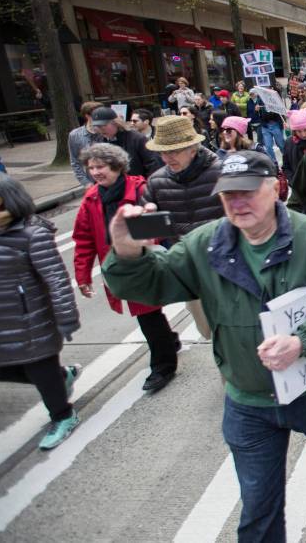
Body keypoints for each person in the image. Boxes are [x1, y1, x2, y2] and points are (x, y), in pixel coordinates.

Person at [103, 149, 306, 532]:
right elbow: (154, 283)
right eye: (228, 194)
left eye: (247, 191)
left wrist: (301, 341)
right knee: (258, 509)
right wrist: (126, 253)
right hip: (247, 399)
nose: (237, 202)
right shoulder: (205, 243)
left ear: (275, 188)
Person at [0, 173, 81, 450]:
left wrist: (66, 318)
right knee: (1, 372)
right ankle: (60, 376)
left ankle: (63, 416)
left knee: (41, 372)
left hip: (31, 319)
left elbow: (56, 279)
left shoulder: (31, 234)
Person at [73, 144, 179, 392]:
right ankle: (169, 341)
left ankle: (163, 366)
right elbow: (84, 239)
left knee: (147, 314)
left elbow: (161, 227)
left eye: (100, 166)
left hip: (144, 262)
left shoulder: (140, 189)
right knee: (149, 314)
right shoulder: (91, 198)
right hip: (117, 266)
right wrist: (82, 276)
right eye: (91, 168)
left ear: (117, 166)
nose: (95, 172)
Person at [140, 116, 225, 340]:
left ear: (192, 148)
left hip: (228, 262)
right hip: (190, 267)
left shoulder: (222, 172)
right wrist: (144, 221)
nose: (167, 158)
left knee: (236, 329)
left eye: (174, 151)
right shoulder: (156, 182)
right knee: (207, 331)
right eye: (163, 152)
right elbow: (148, 233)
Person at [90, 106, 161, 178]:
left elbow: (154, 164)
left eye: (103, 125)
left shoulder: (136, 138)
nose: (100, 129)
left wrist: (147, 183)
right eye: (97, 126)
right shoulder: (98, 142)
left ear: (116, 123)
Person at [68, 101, 104, 185]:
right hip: (92, 181)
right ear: (87, 116)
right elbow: (75, 161)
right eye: (97, 115)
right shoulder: (75, 135)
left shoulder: (106, 130)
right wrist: (85, 182)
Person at [281, 109, 306, 185]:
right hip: (298, 185)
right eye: (299, 131)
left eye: (305, 130)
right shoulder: (289, 142)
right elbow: (286, 166)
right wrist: (293, 181)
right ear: (294, 131)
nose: (303, 134)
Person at [254, 91, 286, 164]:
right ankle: (274, 163)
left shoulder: (274, 98)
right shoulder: (259, 99)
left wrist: (284, 121)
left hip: (276, 124)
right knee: (268, 146)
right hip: (265, 126)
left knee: (281, 144)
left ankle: (287, 159)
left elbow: (281, 111)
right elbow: (257, 113)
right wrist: (256, 110)